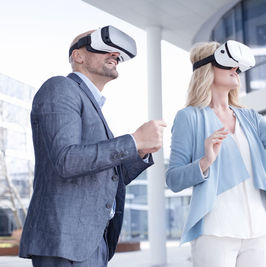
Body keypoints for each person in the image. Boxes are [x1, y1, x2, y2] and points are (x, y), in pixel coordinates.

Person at [19, 26, 166, 266]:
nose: (115, 55)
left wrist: (138, 151)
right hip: (65, 241)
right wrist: (134, 140)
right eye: (106, 49)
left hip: (92, 241)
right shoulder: (60, 87)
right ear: (78, 56)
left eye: (117, 53)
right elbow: (66, 160)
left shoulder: (93, 107)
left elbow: (105, 177)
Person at [166, 41, 266, 267]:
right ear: (207, 68)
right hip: (215, 232)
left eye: (237, 67)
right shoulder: (189, 118)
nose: (236, 70)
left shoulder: (248, 117)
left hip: (258, 231)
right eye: (228, 64)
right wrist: (204, 162)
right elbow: (173, 179)